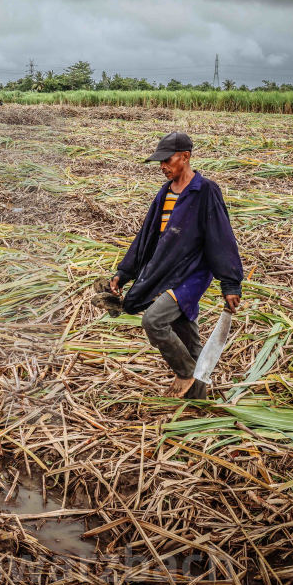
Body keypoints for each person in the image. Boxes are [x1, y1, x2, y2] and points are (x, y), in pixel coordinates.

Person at [107, 132, 244, 398]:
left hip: (192, 275)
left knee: (154, 320)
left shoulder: (204, 191)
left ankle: (184, 373)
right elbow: (147, 236)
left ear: (185, 157)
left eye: (167, 160)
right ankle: (199, 400)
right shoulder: (165, 193)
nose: (162, 166)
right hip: (166, 271)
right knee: (188, 339)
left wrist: (230, 283)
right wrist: (124, 273)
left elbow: (221, 237)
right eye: (159, 162)